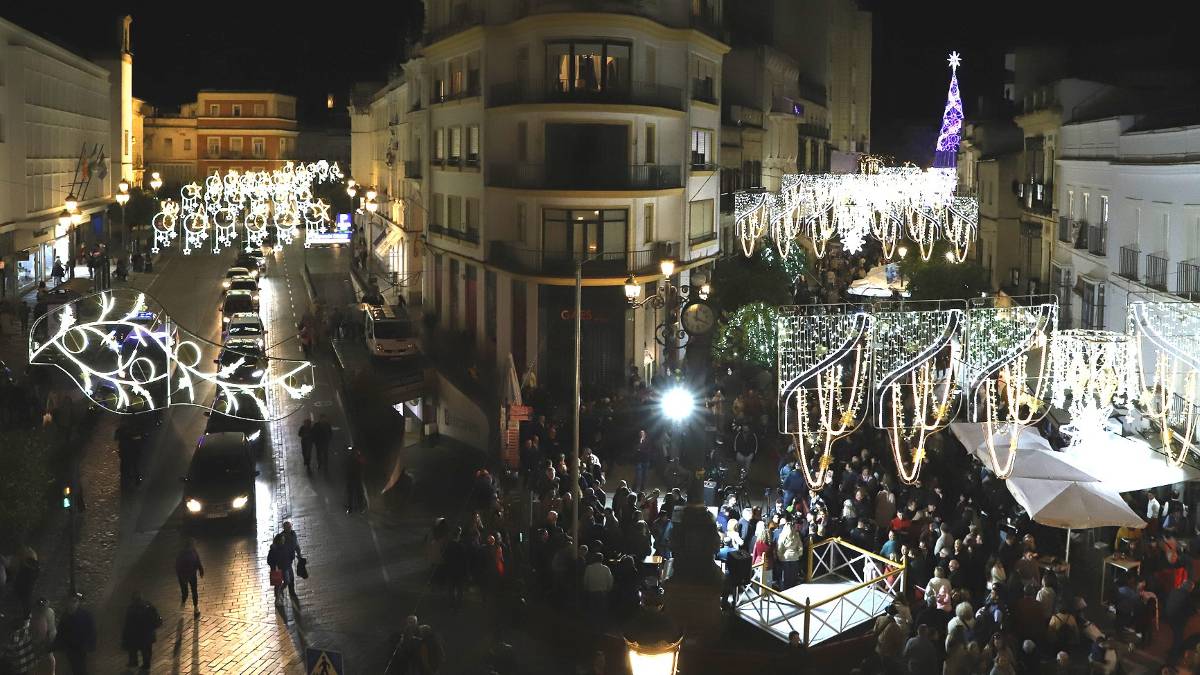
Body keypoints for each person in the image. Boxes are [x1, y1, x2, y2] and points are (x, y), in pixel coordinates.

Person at [57, 593, 97, 675]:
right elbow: (61, 632)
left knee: (81, 668)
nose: (72, 604)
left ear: (78, 602)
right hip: (70, 648)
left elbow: (91, 630)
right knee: (75, 668)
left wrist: (90, 645)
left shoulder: (85, 615)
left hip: (81, 647)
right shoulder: (65, 616)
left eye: (74, 602)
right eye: (70, 602)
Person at [121, 591, 160, 671]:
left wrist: (125, 636)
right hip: (147, 634)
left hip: (135, 634)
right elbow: (156, 619)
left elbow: (127, 624)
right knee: (146, 651)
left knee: (133, 649)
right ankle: (146, 664)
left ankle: (134, 662)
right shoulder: (148, 606)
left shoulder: (131, 609)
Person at [176, 538, 204, 616]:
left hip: (192, 575)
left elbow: (198, 561)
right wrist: (182, 577)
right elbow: (178, 567)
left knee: (194, 591)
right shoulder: (181, 554)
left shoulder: (193, 551)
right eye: (193, 543)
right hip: (183, 576)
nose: (194, 545)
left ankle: (196, 608)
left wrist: (201, 569)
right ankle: (183, 603)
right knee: (185, 592)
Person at [29, 597, 55, 673]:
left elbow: (47, 629)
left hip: (47, 638)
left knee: (49, 656)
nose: (42, 607)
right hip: (43, 638)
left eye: (43, 605)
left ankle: (52, 672)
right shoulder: (38, 613)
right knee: (44, 657)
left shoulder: (46, 613)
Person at [346, 446, 366, 513]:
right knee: (351, 493)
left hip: (357, 477)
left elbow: (363, 465)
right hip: (352, 477)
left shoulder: (358, 458)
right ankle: (351, 508)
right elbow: (346, 467)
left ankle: (360, 507)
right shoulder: (350, 458)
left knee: (358, 493)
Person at [634, 429, 653, 494]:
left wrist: (640, 450)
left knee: (645, 475)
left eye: (643, 433)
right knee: (638, 475)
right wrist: (640, 442)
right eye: (640, 433)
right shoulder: (637, 441)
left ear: (645, 434)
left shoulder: (648, 441)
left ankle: (643, 489)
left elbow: (648, 451)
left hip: (646, 460)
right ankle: (637, 488)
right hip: (639, 461)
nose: (641, 435)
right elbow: (636, 449)